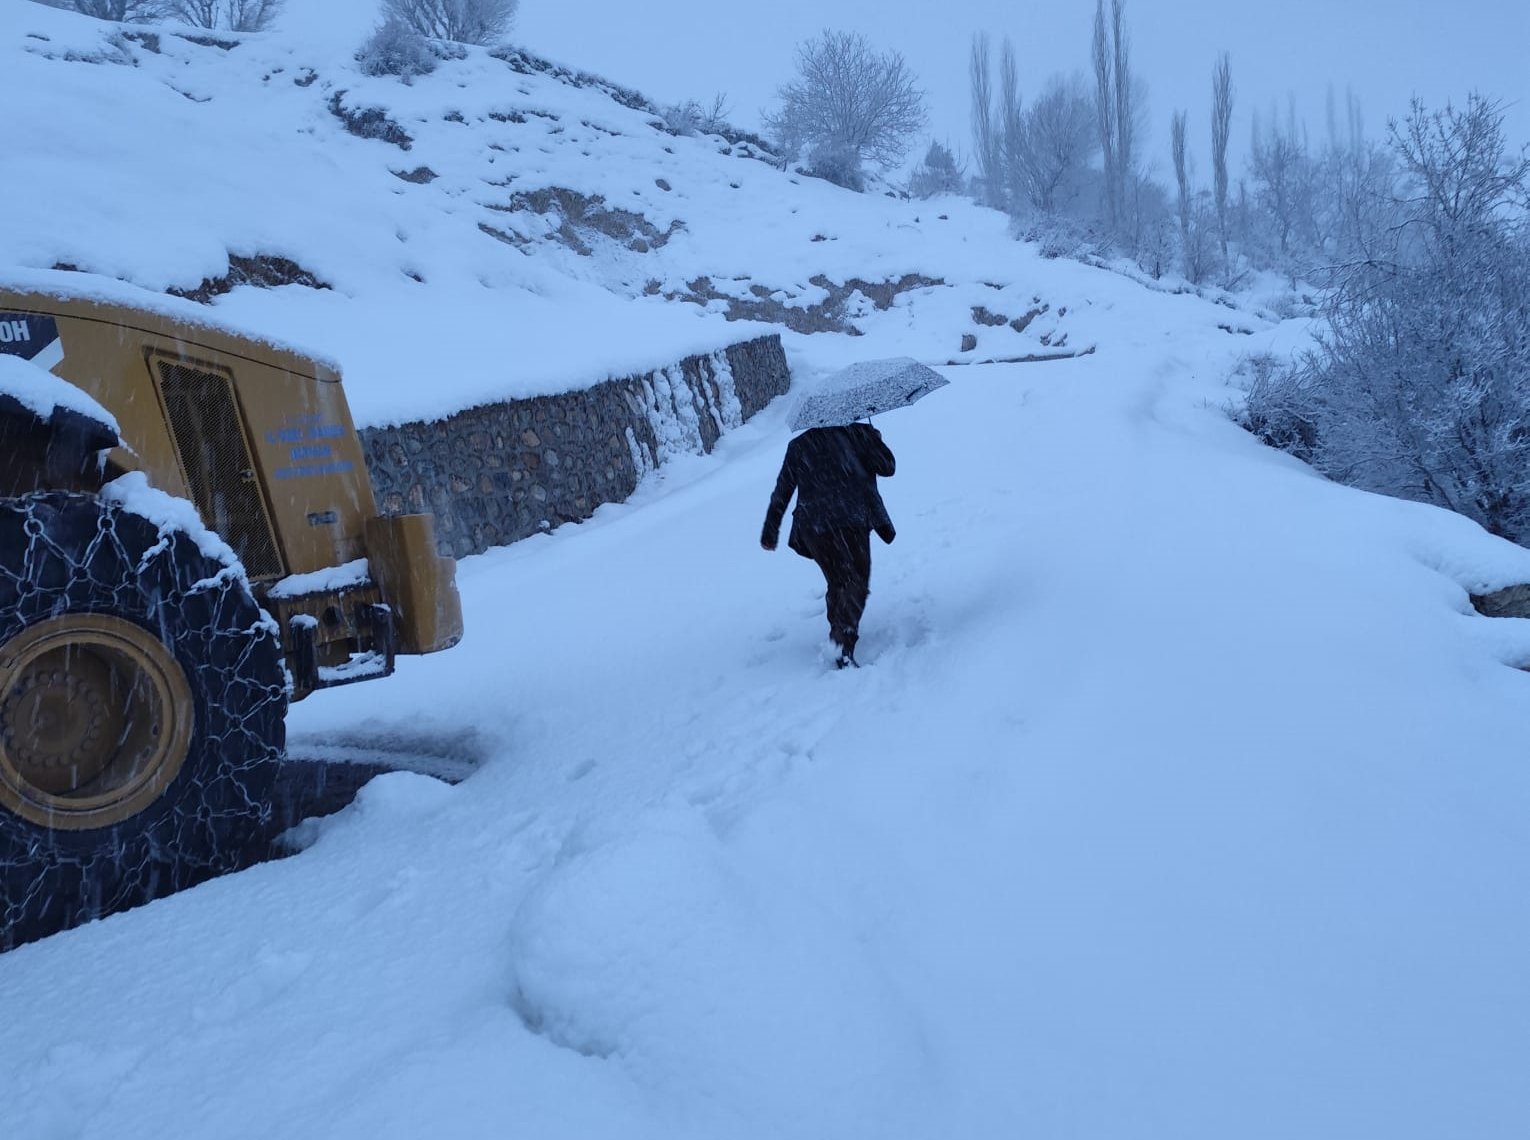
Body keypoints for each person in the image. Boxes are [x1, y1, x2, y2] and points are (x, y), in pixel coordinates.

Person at [760, 421, 896, 668]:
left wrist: (770, 531)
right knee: (856, 583)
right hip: (850, 521)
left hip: (814, 527)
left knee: (839, 580)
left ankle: (839, 634)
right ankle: (841, 645)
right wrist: (874, 438)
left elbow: (783, 490)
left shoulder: (800, 445)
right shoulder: (858, 434)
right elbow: (888, 467)